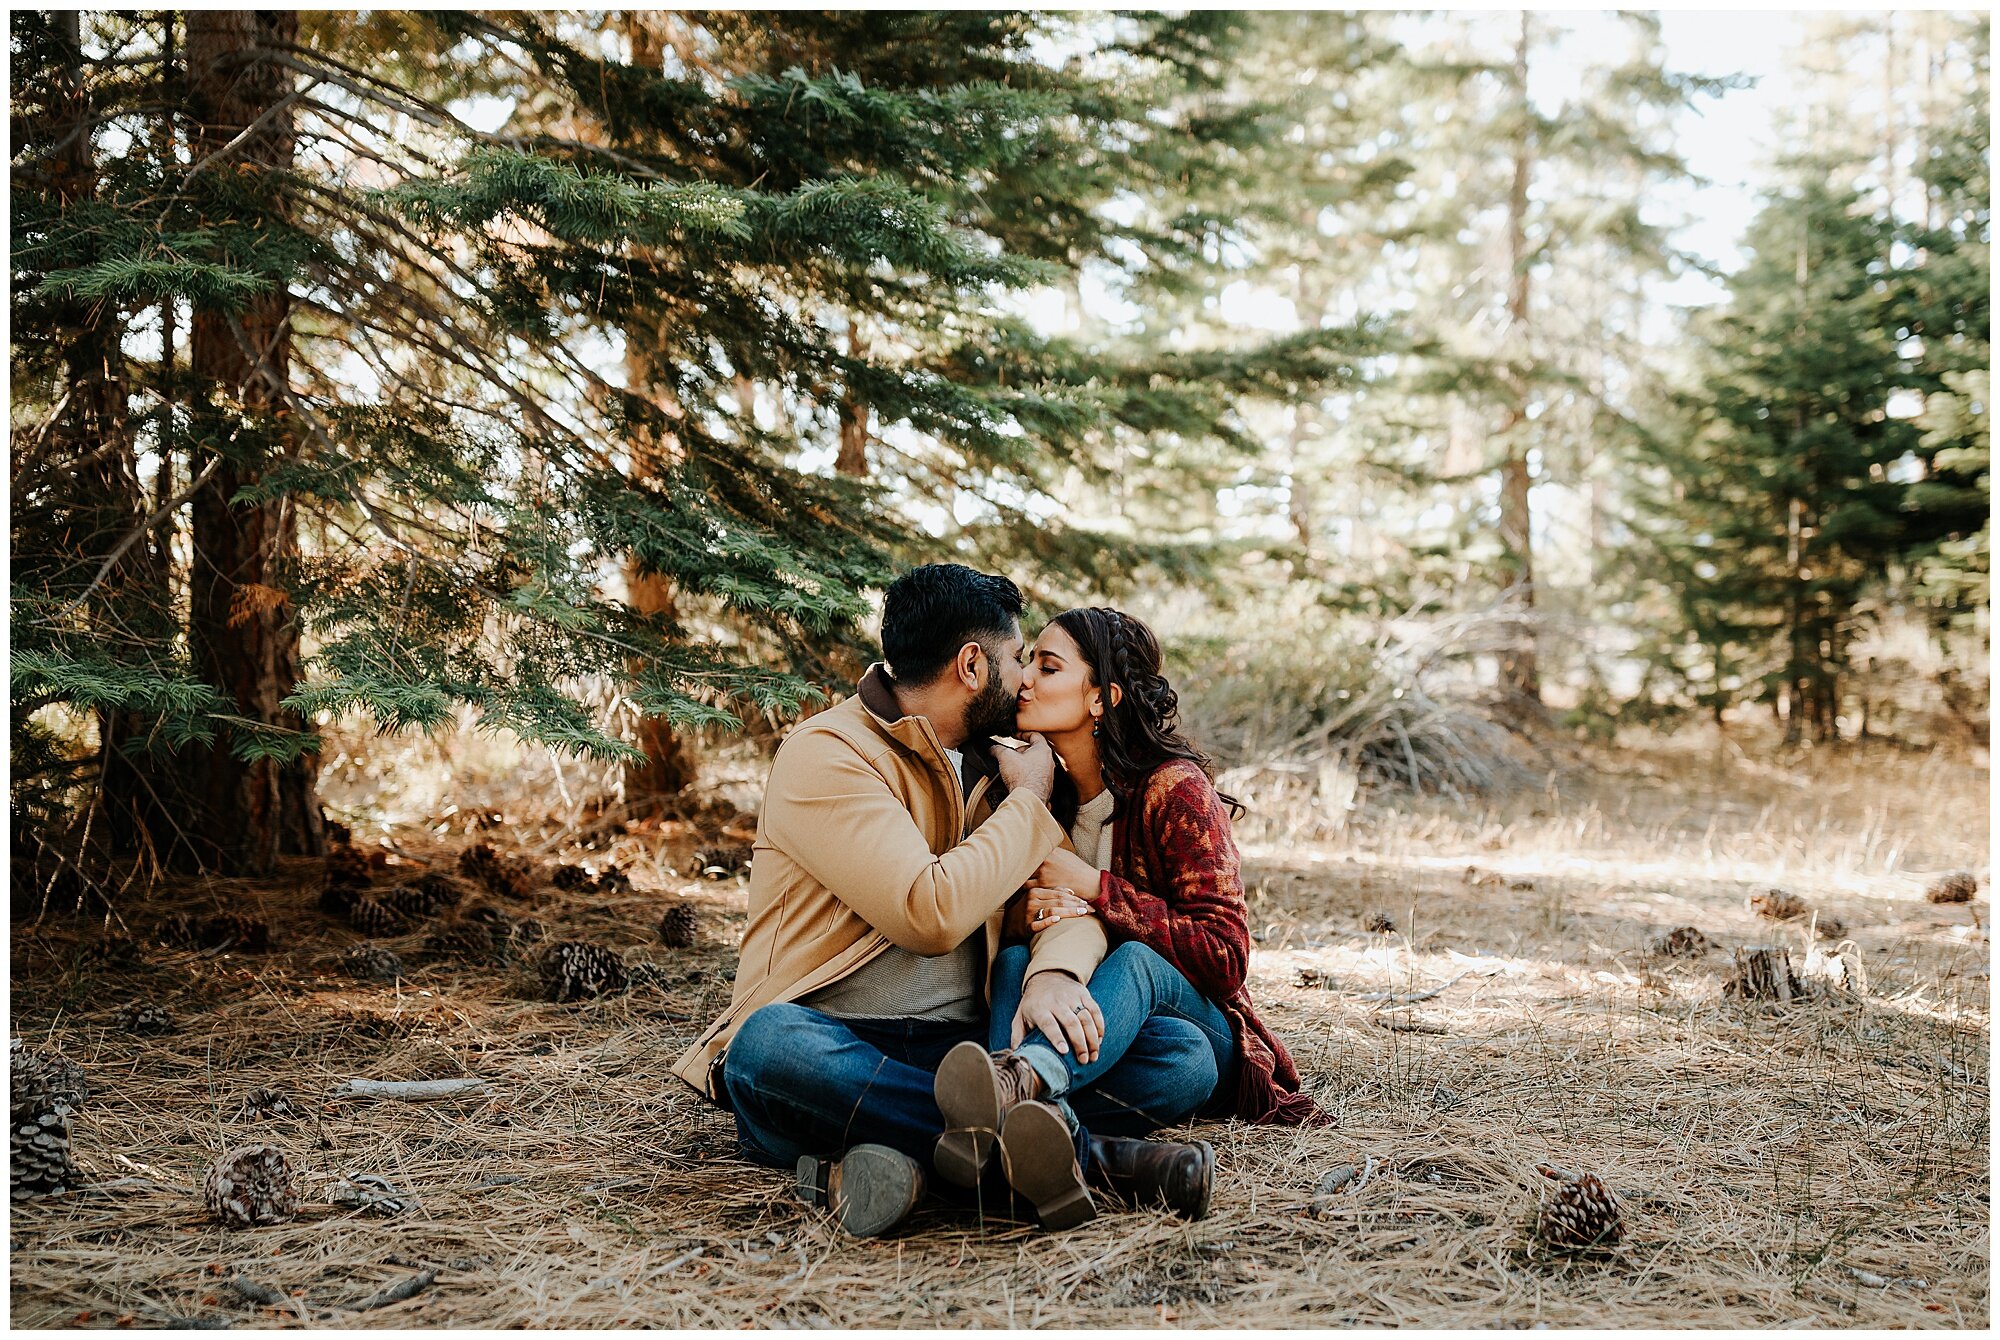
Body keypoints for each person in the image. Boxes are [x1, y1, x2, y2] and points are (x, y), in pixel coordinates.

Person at [670, 565, 1216, 1237]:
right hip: (837, 1043)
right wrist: (1028, 802)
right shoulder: (830, 755)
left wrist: (1052, 975)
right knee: (766, 1047)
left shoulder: (1002, 765)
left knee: (1181, 1055)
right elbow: (927, 914)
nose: (1022, 678)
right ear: (969, 665)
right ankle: (1086, 1158)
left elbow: (1057, 900)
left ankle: (901, 1167)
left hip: (971, 1057)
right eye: (1017, 658)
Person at [927, 607, 1330, 1207]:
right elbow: (1018, 926)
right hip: (1128, 1031)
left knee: (1151, 980)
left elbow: (1225, 956)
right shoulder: (1046, 799)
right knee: (1170, 1057)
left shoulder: (1175, 789)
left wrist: (1096, 889)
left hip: (1198, 1013)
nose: (1025, 680)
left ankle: (1018, 1081)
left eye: (1049, 665)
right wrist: (1029, 917)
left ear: (1101, 698)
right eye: (1028, 662)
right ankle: (1023, 1140)